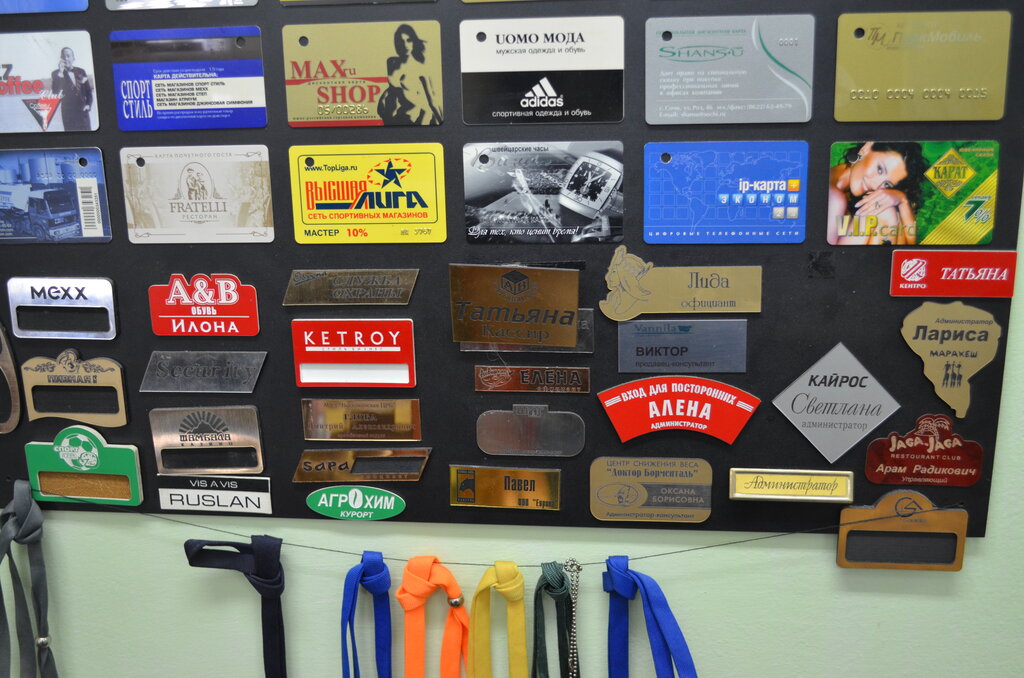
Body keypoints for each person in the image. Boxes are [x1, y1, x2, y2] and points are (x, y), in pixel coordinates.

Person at [826, 141, 926, 245]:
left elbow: (909, 243)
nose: (876, 186)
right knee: (886, 212)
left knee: (884, 209)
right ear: (866, 148)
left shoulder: (840, 185)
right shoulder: (834, 199)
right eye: (880, 169)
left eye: (887, 184)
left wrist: (902, 200)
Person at [377, 24, 442, 126]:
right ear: (397, 43)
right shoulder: (391, 62)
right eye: (401, 41)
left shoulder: (421, 69)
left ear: (414, 42)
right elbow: (392, 87)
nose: (405, 45)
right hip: (396, 113)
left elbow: (432, 101)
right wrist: (382, 101)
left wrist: (443, 123)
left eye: (409, 40)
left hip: (418, 115)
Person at [50, 46, 93, 132]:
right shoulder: (56, 74)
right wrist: (61, 73)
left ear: (73, 58)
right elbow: (56, 93)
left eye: (68, 56)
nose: (66, 59)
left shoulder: (81, 71)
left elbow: (88, 91)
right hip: (68, 115)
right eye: (63, 56)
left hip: (83, 113)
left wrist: (88, 105)